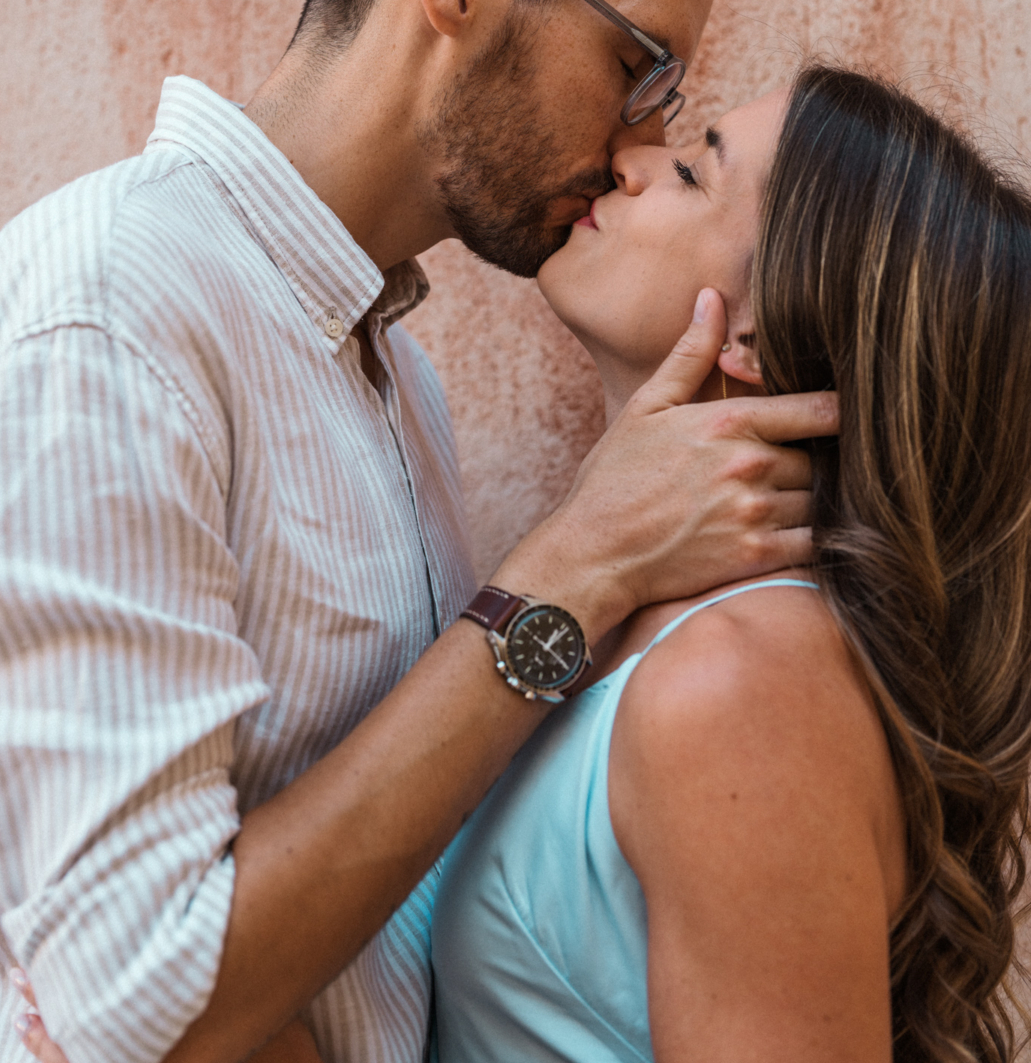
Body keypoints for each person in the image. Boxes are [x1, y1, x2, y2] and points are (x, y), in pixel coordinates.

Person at [0, 0, 835, 1063]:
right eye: (638, 67)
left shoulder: (388, 376)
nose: (640, 146)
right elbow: (136, 1008)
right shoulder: (114, 316)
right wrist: (577, 564)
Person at [429, 65, 1031, 1062]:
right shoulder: (642, 624)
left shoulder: (741, 684)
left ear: (754, 328)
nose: (625, 162)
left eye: (692, 174)